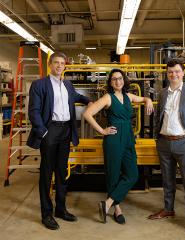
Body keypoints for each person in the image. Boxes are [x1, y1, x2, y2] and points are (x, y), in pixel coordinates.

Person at [27, 52, 91, 230]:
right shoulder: (39, 84)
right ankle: (46, 213)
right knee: (47, 174)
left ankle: (61, 209)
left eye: (62, 63)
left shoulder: (68, 85)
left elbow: (77, 97)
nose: (59, 66)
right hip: (50, 130)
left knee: (62, 173)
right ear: (50, 64)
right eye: (56, 63)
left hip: (66, 131)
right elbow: (34, 111)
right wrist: (44, 133)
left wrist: (90, 101)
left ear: (65, 66)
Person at [83, 68, 153, 224]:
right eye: (114, 79)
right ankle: (117, 209)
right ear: (110, 82)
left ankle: (107, 203)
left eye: (120, 78)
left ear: (124, 80)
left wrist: (148, 100)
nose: (118, 81)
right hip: (113, 138)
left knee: (132, 174)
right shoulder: (108, 97)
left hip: (128, 137)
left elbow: (143, 99)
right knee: (113, 174)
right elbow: (87, 114)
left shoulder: (128, 96)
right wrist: (102, 130)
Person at [148, 59, 185, 233]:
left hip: (184, 142)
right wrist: (158, 138)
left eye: (177, 71)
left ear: (183, 73)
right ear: (167, 74)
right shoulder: (162, 93)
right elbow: (158, 117)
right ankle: (168, 209)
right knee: (167, 179)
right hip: (164, 142)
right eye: (171, 72)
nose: (174, 74)